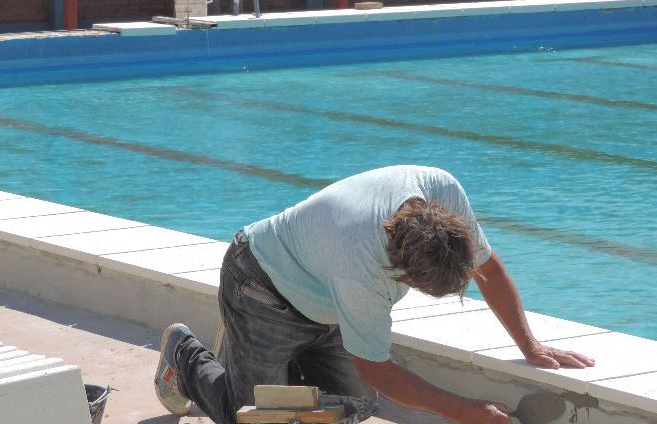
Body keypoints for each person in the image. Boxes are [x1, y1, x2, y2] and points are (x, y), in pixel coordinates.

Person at [154, 165, 595, 424]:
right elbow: (380, 373)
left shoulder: (442, 191)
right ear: (397, 269)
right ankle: (185, 355)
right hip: (261, 288)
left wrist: (529, 344)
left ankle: (267, 366)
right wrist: (467, 411)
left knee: (353, 409)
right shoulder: (361, 266)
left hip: (324, 301)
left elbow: (489, 269)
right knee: (253, 418)